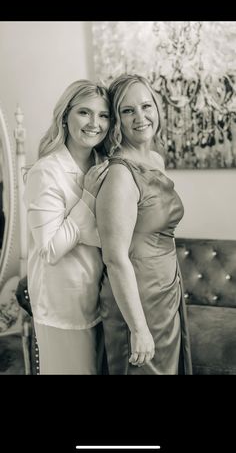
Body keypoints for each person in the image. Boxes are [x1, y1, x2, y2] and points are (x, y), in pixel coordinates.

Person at [96, 73, 192, 375]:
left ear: (157, 109)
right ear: (116, 119)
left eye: (146, 106)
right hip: (137, 300)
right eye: (128, 110)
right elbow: (114, 257)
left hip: (166, 294)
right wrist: (138, 328)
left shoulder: (155, 160)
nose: (141, 117)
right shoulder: (120, 174)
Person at [24, 79, 111, 375]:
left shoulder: (106, 166)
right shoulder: (46, 171)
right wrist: (86, 198)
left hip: (102, 302)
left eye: (103, 115)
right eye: (84, 113)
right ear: (65, 116)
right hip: (63, 306)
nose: (94, 123)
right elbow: (50, 249)